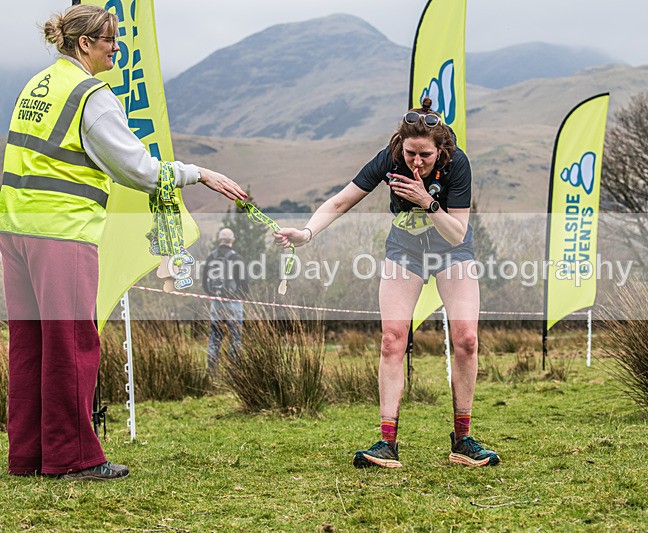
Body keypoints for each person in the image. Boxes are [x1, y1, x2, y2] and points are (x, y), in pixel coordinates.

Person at [0, 5, 246, 481]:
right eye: (109, 39)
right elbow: (140, 170)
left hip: (15, 229)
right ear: (84, 43)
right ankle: (73, 457)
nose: (117, 47)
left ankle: (28, 455)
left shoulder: (38, 84)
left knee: (31, 344)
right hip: (61, 232)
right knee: (72, 342)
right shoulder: (90, 95)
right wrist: (198, 173)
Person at [275, 97, 499, 469]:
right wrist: (307, 233)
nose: (416, 162)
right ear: (401, 146)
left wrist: (427, 202)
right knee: (392, 339)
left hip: (452, 251)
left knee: (467, 340)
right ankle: (387, 443)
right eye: (411, 154)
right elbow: (341, 202)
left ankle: (463, 440)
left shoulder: (457, 163)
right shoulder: (390, 159)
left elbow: (458, 233)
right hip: (405, 250)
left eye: (425, 155)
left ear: (440, 150)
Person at [202, 228, 249, 370]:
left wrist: (213, 295)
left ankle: (212, 370)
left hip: (216, 303)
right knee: (235, 338)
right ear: (232, 240)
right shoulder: (237, 258)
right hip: (234, 303)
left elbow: (204, 282)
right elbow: (244, 283)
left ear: (219, 239)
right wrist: (242, 297)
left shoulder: (211, 257)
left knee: (214, 337)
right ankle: (235, 370)